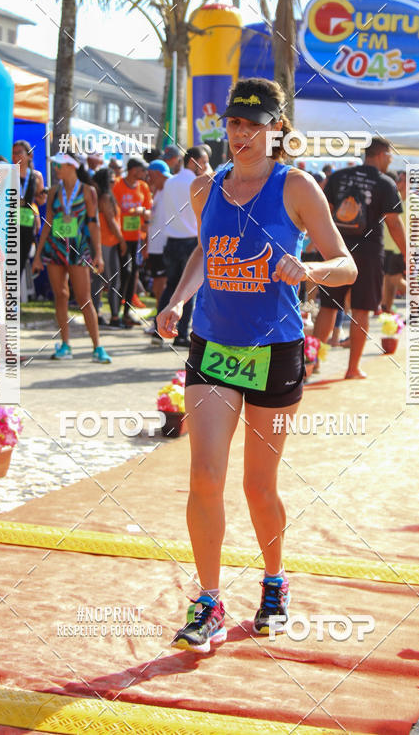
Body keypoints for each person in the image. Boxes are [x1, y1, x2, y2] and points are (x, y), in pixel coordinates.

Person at [157, 77, 356, 653]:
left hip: (275, 350)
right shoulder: (205, 186)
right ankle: (210, 602)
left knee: (257, 485)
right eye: (234, 124)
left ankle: (273, 581)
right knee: (204, 477)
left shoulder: (297, 187)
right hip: (213, 347)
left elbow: (345, 264)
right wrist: (175, 301)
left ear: (276, 131)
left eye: (253, 125)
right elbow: (202, 250)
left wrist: (309, 271)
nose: (240, 135)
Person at [314, 135, 405, 379]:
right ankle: (352, 368)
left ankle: (311, 363)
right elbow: (394, 224)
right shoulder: (385, 183)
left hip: (336, 250)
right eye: (390, 155)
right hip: (369, 254)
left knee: (328, 307)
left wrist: (320, 243)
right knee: (362, 309)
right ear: (382, 154)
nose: (391, 160)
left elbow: (322, 210)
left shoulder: (339, 176)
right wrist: (409, 253)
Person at [31, 152, 111, 362]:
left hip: (78, 248)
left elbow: (94, 223)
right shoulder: (54, 191)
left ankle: (98, 347)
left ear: (71, 166)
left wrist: (98, 255)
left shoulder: (88, 191)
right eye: (56, 165)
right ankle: (65, 344)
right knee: (61, 295)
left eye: (60, 165)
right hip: (55, 247)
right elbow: (47, 222)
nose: (56, 169)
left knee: (85, 299)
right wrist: (38, 255)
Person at [156, 145, 209, 348]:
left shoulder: (170, 182)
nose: (205, 166)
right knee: (188, 290)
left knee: (172, 286)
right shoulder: (199, 183)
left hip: (172, 241)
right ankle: (180, 334)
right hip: (190, 243)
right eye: (202, 162)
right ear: (192, 161)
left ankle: (158, 329)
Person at [112, 156, 152, 327]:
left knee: (133, 273)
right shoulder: (117, 184)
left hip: (136, 238)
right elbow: (112, 209)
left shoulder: (143, 187)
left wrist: (141, 211)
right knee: (123, 273)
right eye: (143, 170)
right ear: (134, 170)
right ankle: (116, 313)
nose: (145, 173)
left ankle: (126, 313)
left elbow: (149, 212)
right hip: (119, 238)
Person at [90, 167, 126, 327]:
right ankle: (113, 316)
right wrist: (122, 240)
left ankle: (99, 314)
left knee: (100, 280)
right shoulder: (105, 197)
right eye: (111, 180)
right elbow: (111, 222)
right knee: (110, 281)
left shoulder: (103, 196)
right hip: (107, 242)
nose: (114, 182)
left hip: (104, 242)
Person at [12, 140, 46, 278]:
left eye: (19, 152)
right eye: (13, 153)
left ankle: (14, 296)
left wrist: (42, 195)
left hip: (27, 221)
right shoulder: (9, 173)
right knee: (9, 258)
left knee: (21, 259)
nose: (16, 156)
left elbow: (40, 200)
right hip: (10, 220)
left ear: (29, 155)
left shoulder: (36, 176)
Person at [145, 159, 171, 337]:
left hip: (164, 245)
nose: (149, 178)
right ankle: (158, 320)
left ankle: (162, 324)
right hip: (154, 246)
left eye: (151, 175)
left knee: (163, 287)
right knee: (157, 287)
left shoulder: (169, 188)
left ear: (158, 173)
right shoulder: (157, 191)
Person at [381, 169, 407, 311]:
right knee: (388, 280)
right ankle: (386, 308)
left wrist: (408, 251)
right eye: (398, 180)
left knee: (394, 279)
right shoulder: (396, 197)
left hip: (399, 246)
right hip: (390, 245)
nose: (398, 183)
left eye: (401, 180)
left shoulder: (413, 201)